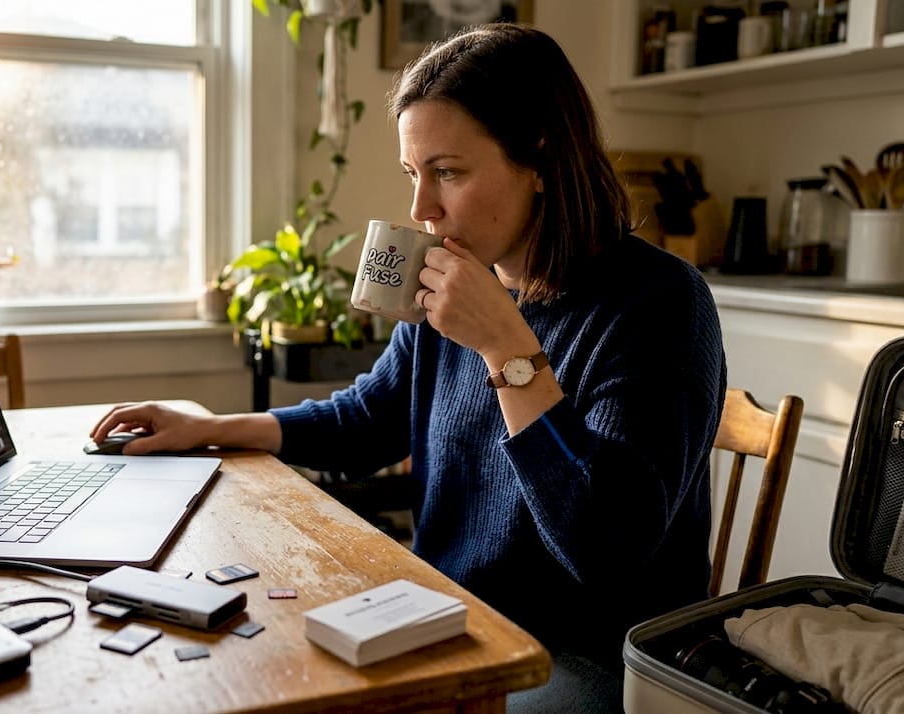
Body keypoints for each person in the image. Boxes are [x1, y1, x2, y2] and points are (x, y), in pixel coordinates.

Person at [91, 23, 725, 712]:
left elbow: (606, 552)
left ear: (540, 157)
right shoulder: (459, 274)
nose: (421, 210)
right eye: (412, 174)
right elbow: (369, 419)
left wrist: (507, 350)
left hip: (592, 658)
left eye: (448, 172)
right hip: (451, 617)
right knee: (247, 671)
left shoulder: (659, 304)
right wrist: (211, 427)